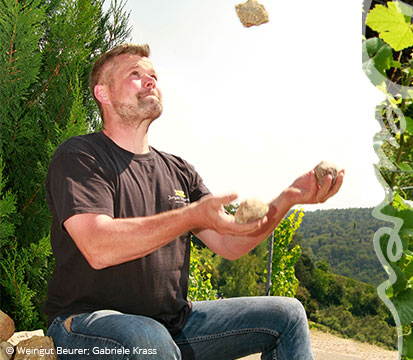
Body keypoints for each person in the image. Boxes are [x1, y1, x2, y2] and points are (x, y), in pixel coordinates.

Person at [41, 43, 343, 359]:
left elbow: (229, 243)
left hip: (174, 327)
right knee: (148, 337)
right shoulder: (80, 156)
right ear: (102, 93)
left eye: (153, 75)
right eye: (135, 74)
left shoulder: (179, 170)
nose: (150, 81)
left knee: (287, 315)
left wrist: (289, 198)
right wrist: (189, 216)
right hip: (85, 326)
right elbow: (98, 246)